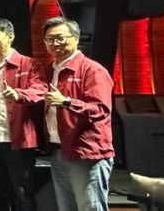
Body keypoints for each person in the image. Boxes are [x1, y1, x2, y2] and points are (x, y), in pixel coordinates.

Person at [37, 17, 114, 211]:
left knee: (90, 207)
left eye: (60, 38)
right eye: (49, 39)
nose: (55, 43)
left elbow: (100, 110)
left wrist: (66, 101)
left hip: (86, 152)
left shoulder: (92, 70)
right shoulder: (49, 70)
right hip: (58, 151)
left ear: (76, 39)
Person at [0, 17, 45, 211]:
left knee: (22, 194)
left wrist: (18, 95)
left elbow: (40, 90)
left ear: (10, 36)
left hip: (19, 140)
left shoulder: (29, 64)